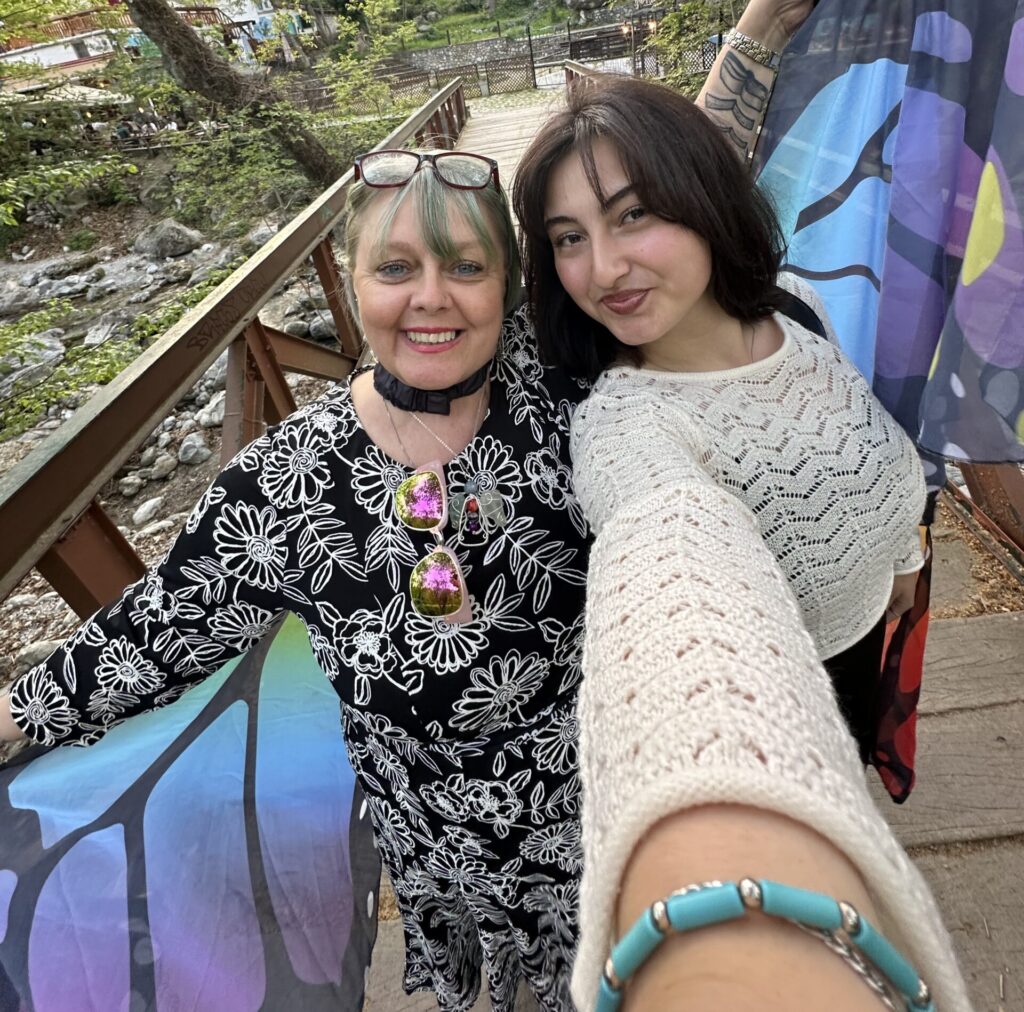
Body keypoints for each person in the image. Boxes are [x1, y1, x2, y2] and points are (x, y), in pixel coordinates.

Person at [0, 150, 590, 1011]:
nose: (432, 297)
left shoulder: (566, 392)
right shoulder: (286, 484)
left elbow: (666, 258)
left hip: (598, 801)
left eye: (467, 265)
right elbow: (160, 628)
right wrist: (12, 712)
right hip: (439, 843)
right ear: (353, 284)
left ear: (510, 283)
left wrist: (755, 37)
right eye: (396, 268)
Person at [513, 74, 925, 767]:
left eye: (634, 214)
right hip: (777, 727)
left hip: (870, 649)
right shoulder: (628, 429)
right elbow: (660, 548)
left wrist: (902, 560)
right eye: (569, 238)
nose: (605, 268)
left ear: (701, 197)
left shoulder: (793, 309)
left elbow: (865, 446)